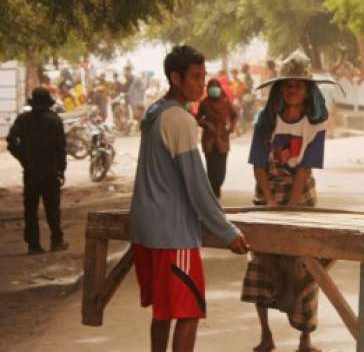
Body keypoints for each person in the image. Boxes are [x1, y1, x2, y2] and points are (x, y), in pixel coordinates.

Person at [128, 45, 249, 352]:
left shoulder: (155, 113)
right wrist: (227, 232)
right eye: (195, 77)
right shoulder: (179, 120)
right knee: (188, 311)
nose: (201, 83)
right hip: (173, 234)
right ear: (176, 78)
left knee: (164, 311)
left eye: (203, 76)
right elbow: (197, 186)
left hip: (147, 230)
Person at [241, 50, 334, 352]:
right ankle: (266, 336)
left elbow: (306, 167)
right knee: (261, 264)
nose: (293, 88)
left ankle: (304, 340)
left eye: (299, 84)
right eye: (288, 84)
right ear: (280, 88)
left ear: (308, 90)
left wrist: (294, 206)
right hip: (267, 191)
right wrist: (269, 201)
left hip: (301, 194)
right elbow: (258, 163)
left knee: (306, 266)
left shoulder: (316, 122)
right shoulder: (265, 120)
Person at [6, 87, 68, 255]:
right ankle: (56, 241)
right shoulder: (55, 121)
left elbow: (11, 141)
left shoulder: (23, 119)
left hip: (31, 171)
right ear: (48, 103)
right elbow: (61, 149)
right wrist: (61, 170)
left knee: (31, 210)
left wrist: (23, 158)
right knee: (52, 209)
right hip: (50, 172)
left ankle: (34, 245)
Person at [196, 78, 239, 199]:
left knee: (221, 169)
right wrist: (206, 124)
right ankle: (213, 191)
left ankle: (217, 187)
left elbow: (234, 115)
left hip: (222, 138)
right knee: (211, 167)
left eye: (216, 87)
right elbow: (198, 118)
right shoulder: (204, 103)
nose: (214, 90)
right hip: (209, 140)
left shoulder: (225, 102)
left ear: (220, 89)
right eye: (211, 88)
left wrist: (231, 127)